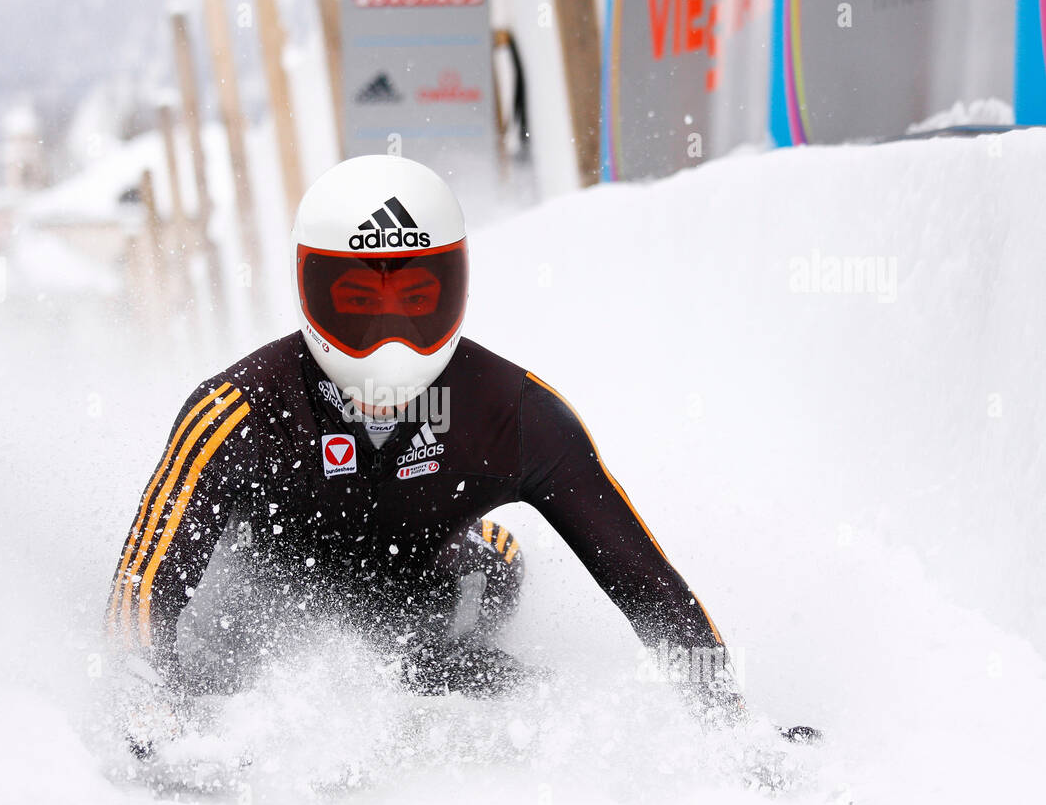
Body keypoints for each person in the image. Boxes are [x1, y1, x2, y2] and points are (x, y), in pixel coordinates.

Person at [106, 155, 742, 732]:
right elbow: (143, 583)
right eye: (358, 302)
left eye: (416, 300)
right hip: (262, 602)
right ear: (310, 293)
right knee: (220, 639)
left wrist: (728, 723)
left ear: (456, 290)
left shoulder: (515, 413)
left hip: (429, 597)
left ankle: (448, 672)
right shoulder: (240, 409)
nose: (391, 338)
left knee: (497, 565)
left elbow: (644, 582)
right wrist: (149, 705)